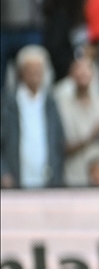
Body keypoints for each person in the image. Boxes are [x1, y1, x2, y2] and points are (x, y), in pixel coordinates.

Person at [53, 49, 99, 187]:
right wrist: (91, 136)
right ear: (71, 75)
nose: (82, 73)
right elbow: (59, 148)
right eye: (78, 69)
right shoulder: (60, 107)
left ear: (94, 73)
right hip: (74, 178)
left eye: (87, 68)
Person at [0, 45, 64, 188]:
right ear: (21, 72)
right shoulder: (8, 103)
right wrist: (3, 172)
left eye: (39, 69)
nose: (35, 73)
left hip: (47, 179)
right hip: (16, 178)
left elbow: (58, 141)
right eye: (31, 69)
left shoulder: (50, 102)